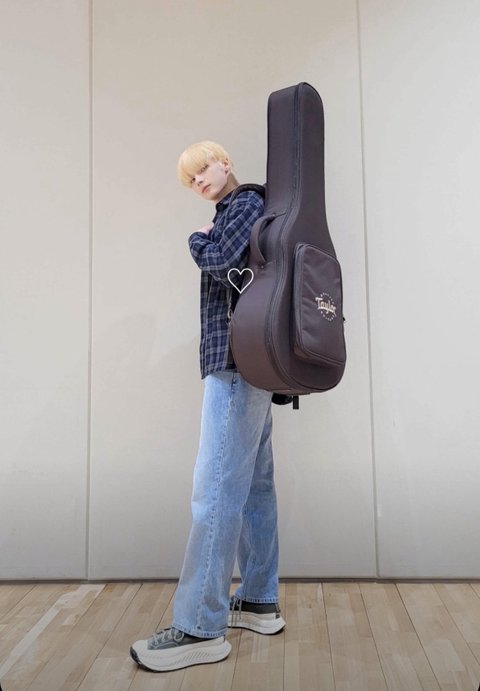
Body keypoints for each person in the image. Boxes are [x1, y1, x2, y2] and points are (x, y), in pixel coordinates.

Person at [130, 141, 285, 673]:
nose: (198, 181)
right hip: (251, 360)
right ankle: (259, 601)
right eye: (190, 179)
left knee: (215, 490)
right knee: (254, 486)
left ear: (225, 162)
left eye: (202, 169)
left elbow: (220, 260)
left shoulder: (243, 204)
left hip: (236, 362)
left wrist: (196, 239)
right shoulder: (244, 208)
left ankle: (200, 626)